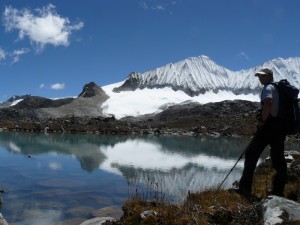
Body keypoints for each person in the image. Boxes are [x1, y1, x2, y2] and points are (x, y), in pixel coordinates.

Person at [238, 67, 287, 197]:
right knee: (279, 159)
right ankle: (278, 191)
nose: (260, 78)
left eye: (262, 76)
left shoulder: (268, 88)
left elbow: (268, 103)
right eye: (259, 76)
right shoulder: (278, 89)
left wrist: (263, 121)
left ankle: (244, 189)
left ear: (269, 76)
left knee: (250, 155)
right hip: (280, 129)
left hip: (268, 128)